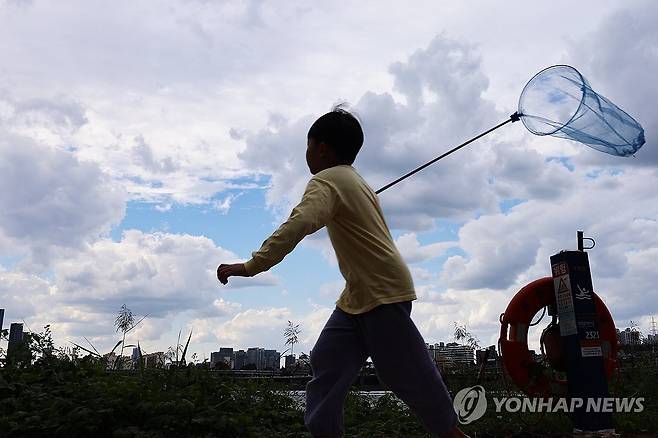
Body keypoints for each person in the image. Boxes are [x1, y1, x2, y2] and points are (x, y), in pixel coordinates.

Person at [217, 106, 468, 438]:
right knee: (326, 362)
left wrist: (250, 267)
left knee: (403, 371)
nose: (306, 155)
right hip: (357, 297)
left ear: (321, 148)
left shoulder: (327, 180)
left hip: (381, 290)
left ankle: (450, 433)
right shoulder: (353, 182)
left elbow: (299, 222)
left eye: (308, 147)